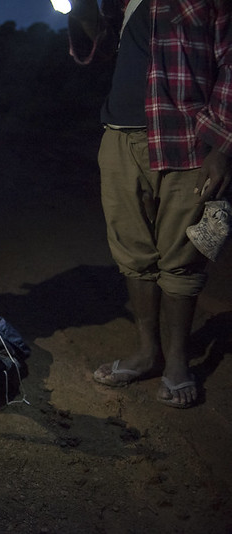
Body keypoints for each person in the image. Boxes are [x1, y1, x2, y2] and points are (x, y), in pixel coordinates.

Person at [66, 1, 232, 408]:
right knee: (133, 253)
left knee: (183, 257)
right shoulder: (123, 4)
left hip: (187, 139)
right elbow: (99, 52)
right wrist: (80, 9)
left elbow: (230, 62)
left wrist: (224, 146)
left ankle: (177, 363)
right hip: (120, 138)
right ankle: (146, 353)